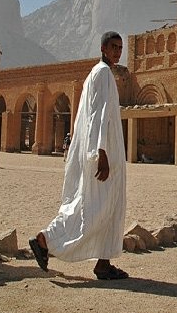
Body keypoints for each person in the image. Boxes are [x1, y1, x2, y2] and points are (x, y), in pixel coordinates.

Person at [30, 31, 128, 280]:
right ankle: (45, 240)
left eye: (120, 47)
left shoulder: (98, 73)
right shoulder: (103, 73)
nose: (118, 51)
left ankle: (103, 264)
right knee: (92, 208)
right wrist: (101, 153)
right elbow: (98, 116)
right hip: (103, 154)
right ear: (103, 48)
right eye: (113, 47)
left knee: (108, 207)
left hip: (104, 152)